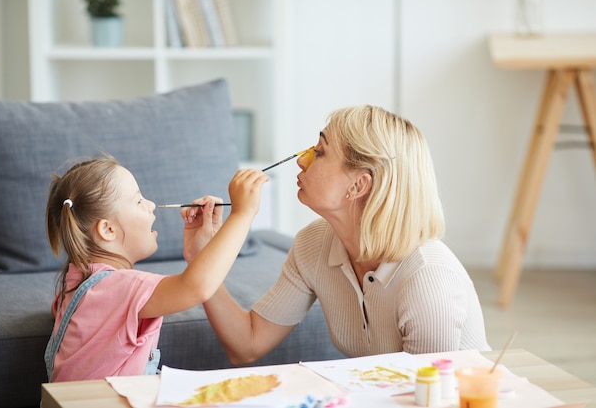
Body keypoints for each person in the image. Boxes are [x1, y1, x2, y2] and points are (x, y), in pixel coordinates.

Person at [184, 105, 490, 365]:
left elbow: (428, 398)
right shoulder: (313, 244)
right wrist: (202, 258)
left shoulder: (427, 276)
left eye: (319, 152)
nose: (302, 160)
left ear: (358, 186)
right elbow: (246, 344)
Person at [44, 154, 268, 382]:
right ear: (108, 230)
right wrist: (242, 214)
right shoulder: (123, 287)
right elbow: (196, 287)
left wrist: (199, 253)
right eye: (139, 200)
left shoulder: (75, 284)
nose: (151, 205)